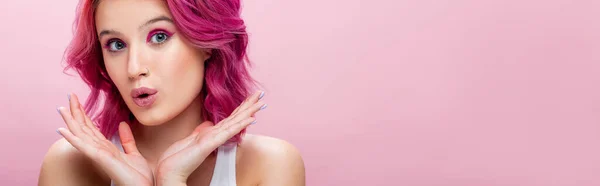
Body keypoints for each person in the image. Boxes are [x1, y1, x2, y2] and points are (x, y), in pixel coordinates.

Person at [38, 0, 305, 185]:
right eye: (116, 44)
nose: (134, 69)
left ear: (206, 42)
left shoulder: (270, 164)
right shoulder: (69, 163)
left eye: (159, 37)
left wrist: (172, 181)